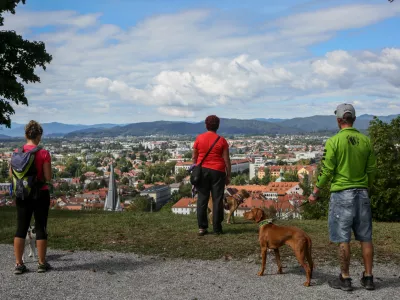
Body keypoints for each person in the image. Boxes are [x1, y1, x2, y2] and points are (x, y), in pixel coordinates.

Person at [308, 104, 377, 291]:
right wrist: (366, 186)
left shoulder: (334, 141)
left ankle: (345, 278)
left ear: (339, 120)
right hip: (362, 193)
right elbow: (371, 169)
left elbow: (327, 169)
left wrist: (315, 192)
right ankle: (369, 277)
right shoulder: (365, 141)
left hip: (341, 194)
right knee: (366, 237)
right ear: (353, 119)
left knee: (343, 238)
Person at [12, 120, 52, 274]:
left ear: (25, 135)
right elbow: (47, 177)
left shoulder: (17, 152)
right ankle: (41, 264)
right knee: (40, 227)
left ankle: (19, 264)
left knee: (21, 228)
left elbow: (12, 174)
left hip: (22, 194)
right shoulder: (43, 153)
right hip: (40, 193)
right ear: (39, 136)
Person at [192, 115, 231, 236]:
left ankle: (202, 228)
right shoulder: (222, 140)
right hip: (218, 172)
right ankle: (217, 228)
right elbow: (226, 159)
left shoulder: (199, 138)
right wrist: (228, 175)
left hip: (202, 171)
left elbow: (194, 157)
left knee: (202, 199)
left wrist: (196, 168)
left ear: (206, 125)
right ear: (218, 126)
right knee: (217, 199)